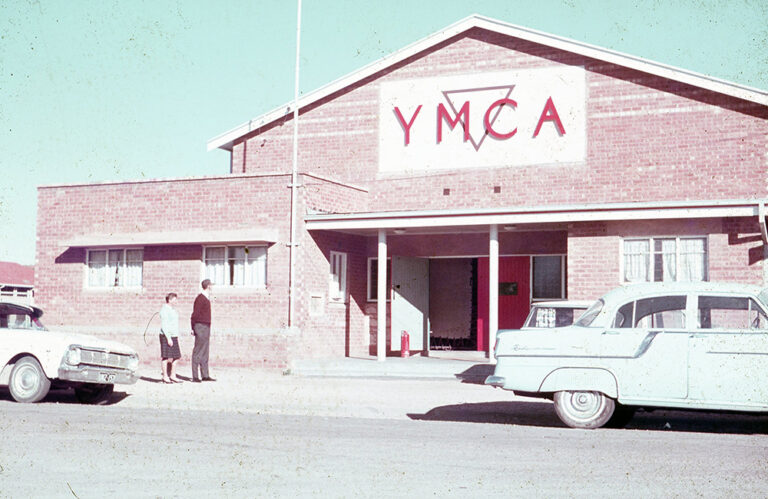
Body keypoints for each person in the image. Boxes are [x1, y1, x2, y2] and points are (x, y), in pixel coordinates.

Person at [190, 279, 215, 382]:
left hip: (206, 326)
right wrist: (193, 327)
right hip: (200, 326)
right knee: (198, 350)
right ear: (208, 286)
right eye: (211, 285)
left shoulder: (206, 298)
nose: (212, 287)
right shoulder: (200, 298)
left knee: (205, 350)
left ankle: (205, 374)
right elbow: (194, 314)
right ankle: (195, 376)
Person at [159, 293, 182, 383]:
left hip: (174, 335)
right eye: (175, 299)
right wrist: (168, 338)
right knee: (165, 356)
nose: (176, 301)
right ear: (170, 300)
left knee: (177, 356)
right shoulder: (164, 310)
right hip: (166, 335)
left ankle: (173, 375)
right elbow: (164, 325)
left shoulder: (172, 310)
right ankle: (165, 376)